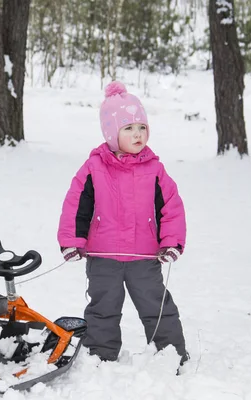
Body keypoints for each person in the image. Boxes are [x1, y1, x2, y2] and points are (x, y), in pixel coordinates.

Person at [57, 81, 189, 365]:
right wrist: (72, 241)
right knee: (103, 307)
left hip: (144, 256)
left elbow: (171, 207)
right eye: (128, 128)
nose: (138, 134)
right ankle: (100, 355)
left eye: (142, 127)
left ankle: (169, 354)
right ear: (111, 133)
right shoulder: (94, 167)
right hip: (104, 257)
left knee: (157, 306)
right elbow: (77, 205)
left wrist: (171, 242)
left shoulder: (154, 168)